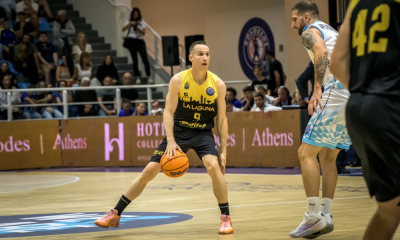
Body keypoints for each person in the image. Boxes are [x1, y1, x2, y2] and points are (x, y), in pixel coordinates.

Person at [94, 40, 233, 235]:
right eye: (201, 54)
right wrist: (171, 141)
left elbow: (221, 119)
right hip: (178, 133)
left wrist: (224, 150)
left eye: (208, 54)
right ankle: (115, 213)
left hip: (202, 133)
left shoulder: (217, 84)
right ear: (191, 58)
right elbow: (168, 113)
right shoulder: (178, 80)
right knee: (149, 170)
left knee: (213, 167)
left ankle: (225, 218)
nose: (205, 58)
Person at [330, 1, 400, 239]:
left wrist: (368, 96)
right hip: (390, 105)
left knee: (390, 210)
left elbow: (336, 63)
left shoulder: (358, 3)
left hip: (359, 108)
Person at [289, 1, 351, 238]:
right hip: (351, 94)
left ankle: (312, 215)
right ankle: (325, 214)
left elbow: (321, 53)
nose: (292, 24)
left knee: (305, 153)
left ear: (306, 17)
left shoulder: (309, 31)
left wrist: (317, 89)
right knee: (328, 156)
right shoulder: (331, 30)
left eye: (294, 19)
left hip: (334, 92)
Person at [122, 7, 152, 84]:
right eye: (134, 14)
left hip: (140, 41)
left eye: (137, 14)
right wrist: (130, 24)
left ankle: (149, 77)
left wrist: (137, 26)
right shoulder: (129, 21)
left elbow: (143, 33)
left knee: (145, 59)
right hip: (132, 41)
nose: (135, 15)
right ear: (132, 14)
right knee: (135, 60)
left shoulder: (141, 22)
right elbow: (123, 29)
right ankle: (137, 77)